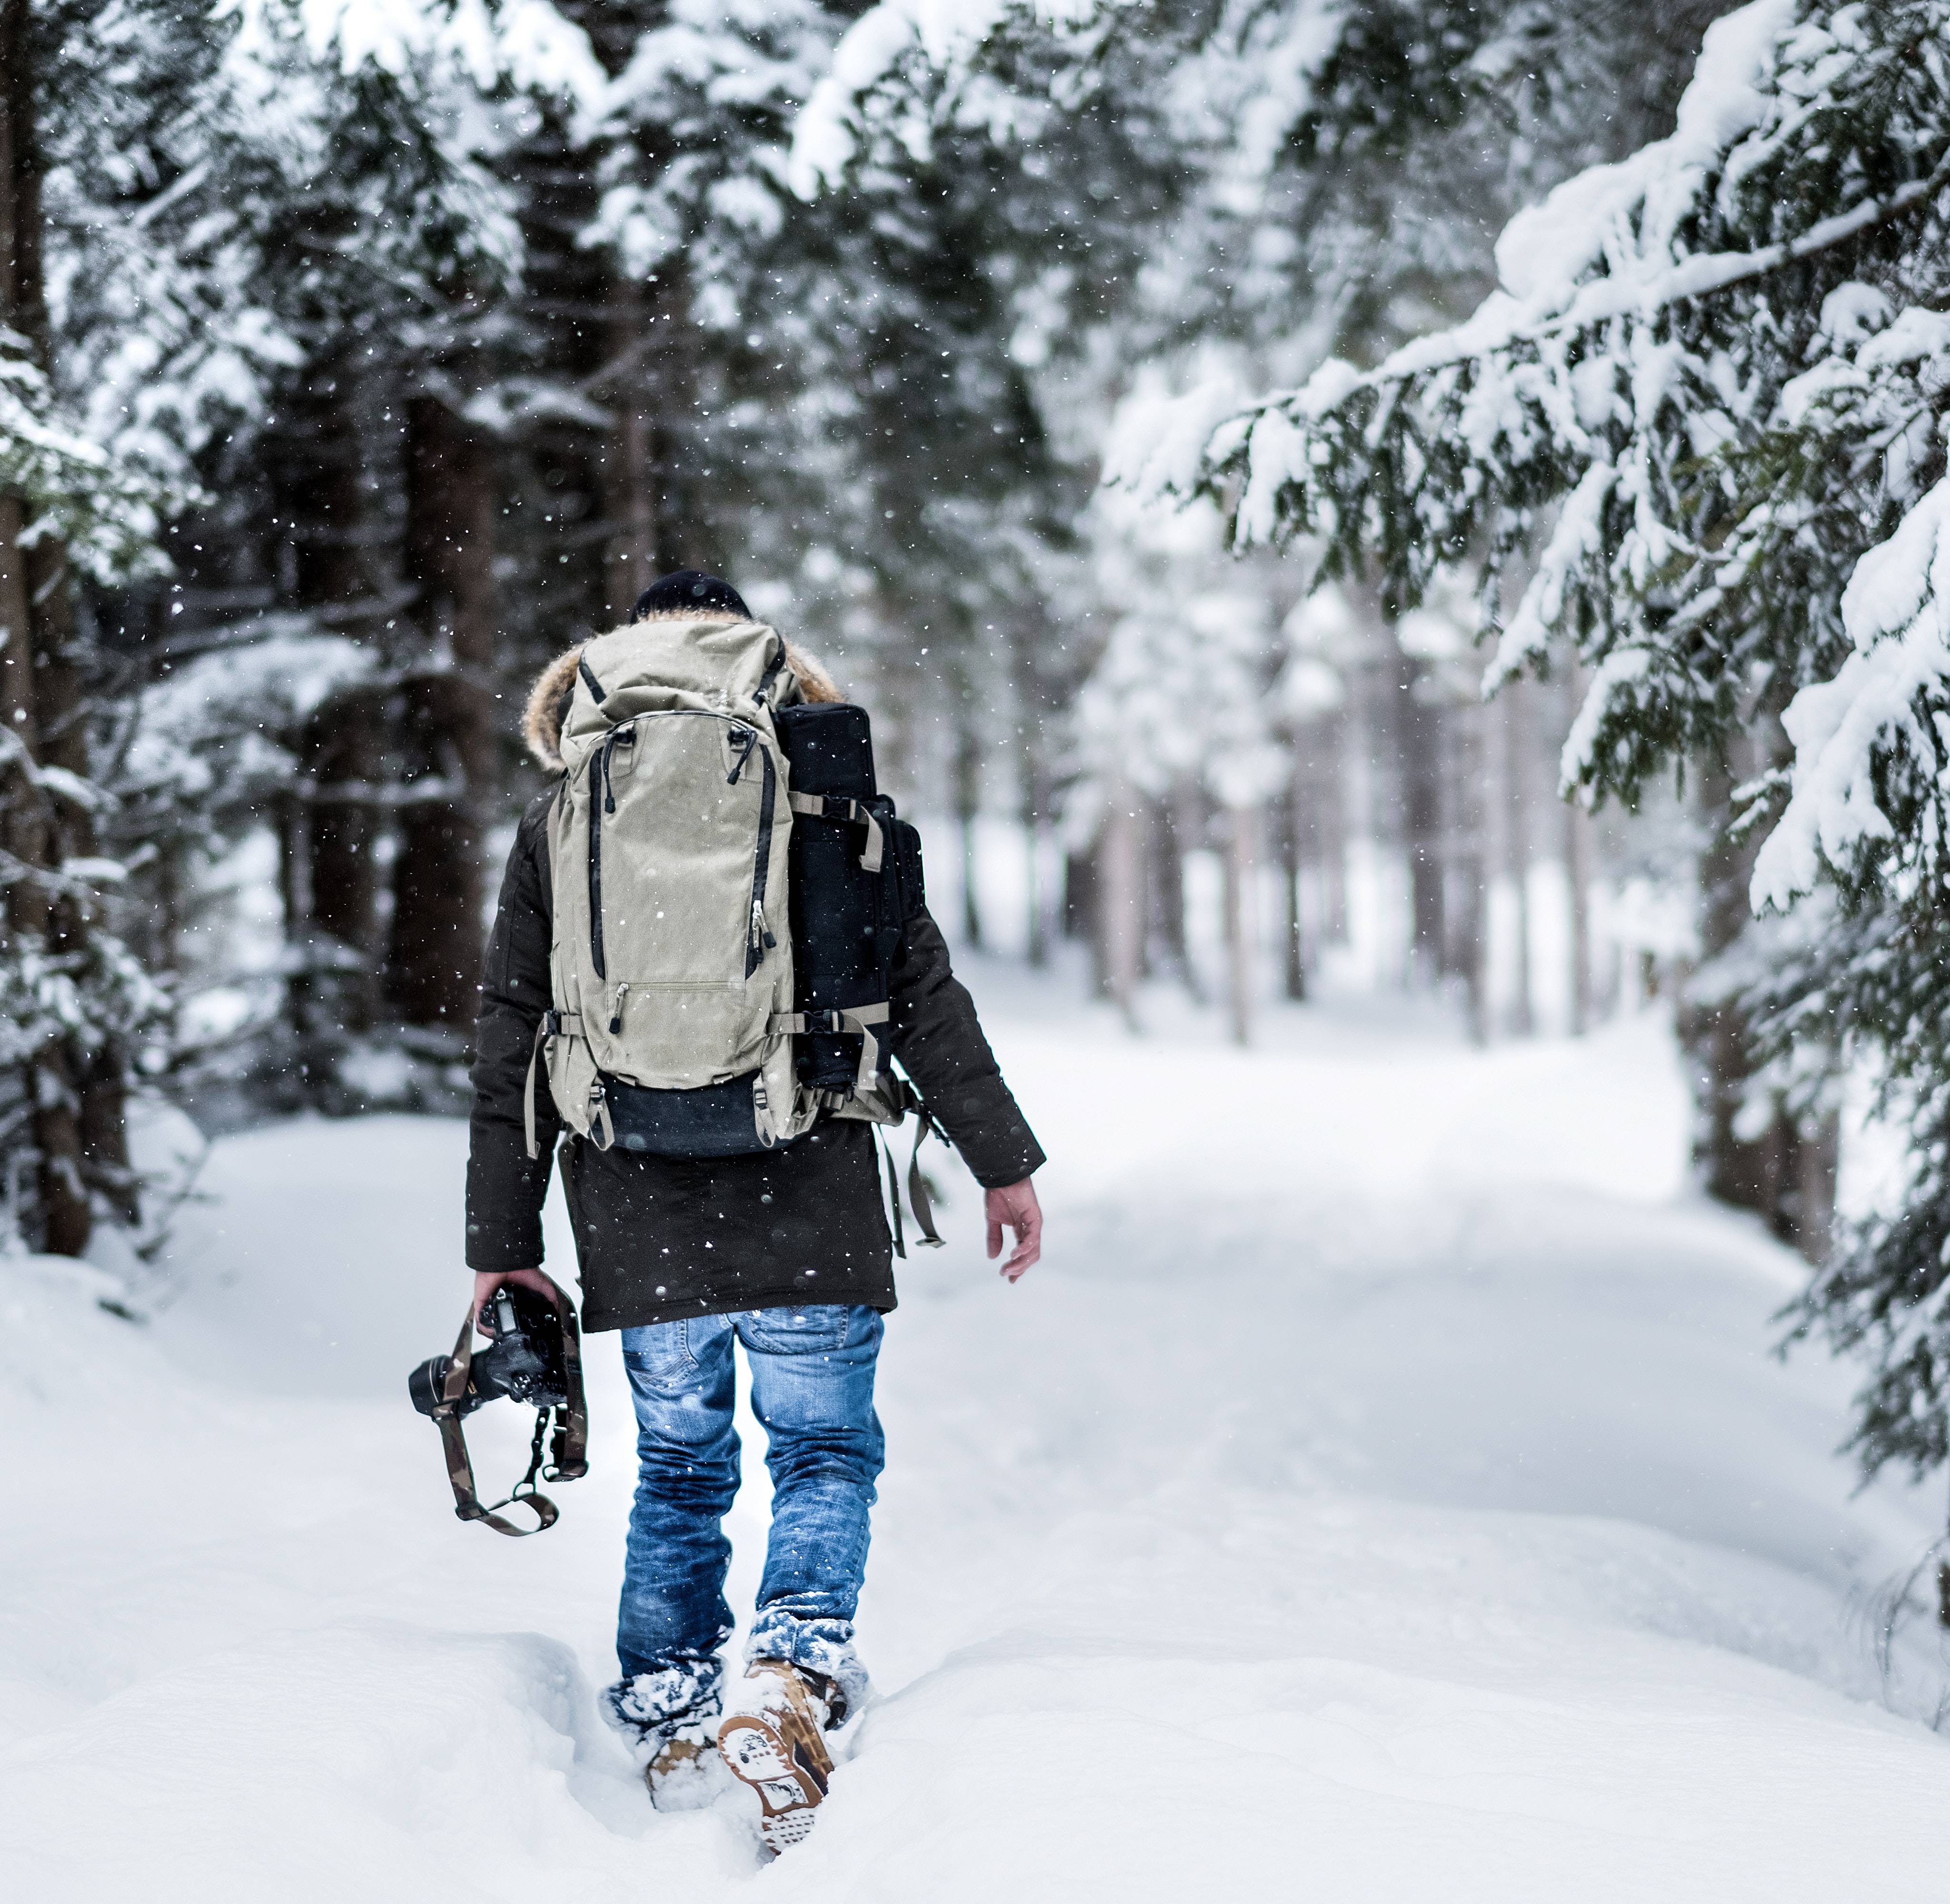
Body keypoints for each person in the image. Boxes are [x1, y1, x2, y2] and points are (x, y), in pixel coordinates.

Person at [463, 570, 1045, 1849]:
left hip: (633, 1186)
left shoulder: (566, 810)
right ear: (761, 665)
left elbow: (514, 1032)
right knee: (824, 1452)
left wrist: (502, 1247)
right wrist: (1002, 1160)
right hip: (811, 1173)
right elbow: (920, 989)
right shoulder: (828, 794)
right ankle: (791, 1671)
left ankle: (673, 1718)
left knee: (677, 1467)